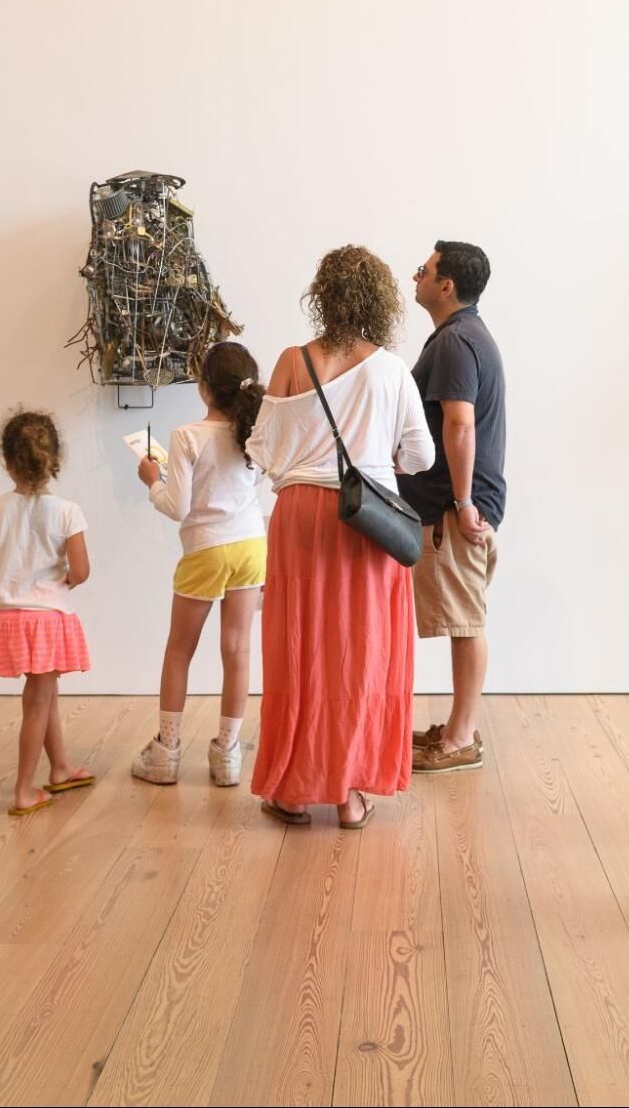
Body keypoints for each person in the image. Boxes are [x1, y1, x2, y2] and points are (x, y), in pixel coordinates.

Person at [246, 246, 434, 829]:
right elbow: (420, 456)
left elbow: (262, 447)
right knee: (360, 654)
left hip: (299, 514)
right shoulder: (393, 370)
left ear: (322, 295)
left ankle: (296, 790)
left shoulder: (290, 359)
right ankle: (350, 794)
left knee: (299, 651)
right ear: (379, 301)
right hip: (365, 520)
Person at [130, 342, 269, 789]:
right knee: (238, 650)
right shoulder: (256, 430)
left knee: (179, 650)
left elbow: (178, 506)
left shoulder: (187, 436)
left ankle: (166, 752)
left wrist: (153, 480)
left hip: (207, 550)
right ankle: (227, 753)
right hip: (250, 547)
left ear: (204, 389)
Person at [400, 241, 507, 774]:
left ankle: (462, 738)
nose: (415, 276)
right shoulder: (461, 336)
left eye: (425, 270)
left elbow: (459, 422)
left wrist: (463, 504)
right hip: (454, 503)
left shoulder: (456, 341)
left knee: (466, 620)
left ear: (446, 286)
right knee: (465, 617)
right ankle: (458, 728)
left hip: (453, 508)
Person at [0, 409, 96, 815]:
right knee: (37, 702)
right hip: (47, 619)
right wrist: (63, 579)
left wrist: (13, 568)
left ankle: (59, 768)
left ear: (6, 461)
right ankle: (24, 789)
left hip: (9, 618)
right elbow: (81, 571)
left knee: (45, 696)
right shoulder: (67, 511)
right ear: (53, 459)